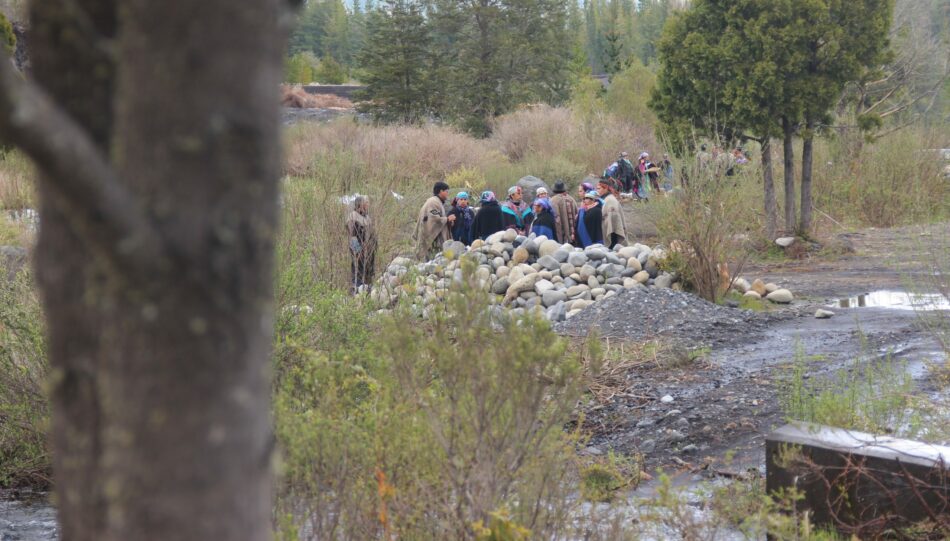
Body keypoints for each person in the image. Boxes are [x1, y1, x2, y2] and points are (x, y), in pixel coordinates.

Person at [414, 181, 455, 260]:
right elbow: (434, 219)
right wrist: (447, 219)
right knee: (432, 260)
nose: (447, 194)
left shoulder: (437, 202)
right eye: (446, 191)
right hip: (433, 240)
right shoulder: (433, 202)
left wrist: (448, 221)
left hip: (435, 240)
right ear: (441, 191)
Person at [347, 195, 377, 293]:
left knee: (368, 272)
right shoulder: (353, 216)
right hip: (359, 251)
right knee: (358, 271)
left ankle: (367, 290)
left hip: (369, 252)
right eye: (366, 203)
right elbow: (352, 236)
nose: (368, 205)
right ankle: (357, 290)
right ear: (360, 205)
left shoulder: (367, 218)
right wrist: (357, 251)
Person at [597, 178, 627, 248]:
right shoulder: (605, 199)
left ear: (605, 188)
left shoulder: (610, 200)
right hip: (609, 230)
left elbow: (614, 220)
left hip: (613, 233)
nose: (597, 191)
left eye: (599, 188)